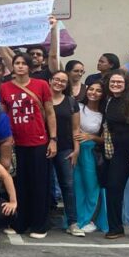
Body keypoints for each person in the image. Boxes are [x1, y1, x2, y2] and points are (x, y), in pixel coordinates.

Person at [0, 53, 57, 238]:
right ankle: (20, 222)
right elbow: (3, 114)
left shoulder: (41, 85)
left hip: (39, 141)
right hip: (17, 143)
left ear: (29, 67)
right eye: (17, 63)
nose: (20, 66)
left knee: (39, 184)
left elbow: (49, 112)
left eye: (24, 63)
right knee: (19, 185)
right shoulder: (5, 87)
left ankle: (40, 225)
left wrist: (53, 139)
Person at [101, 69, 129, 240]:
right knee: (113, 187)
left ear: (126, 85)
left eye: (119, 82)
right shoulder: (110, 101)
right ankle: (115, 227)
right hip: (119, 152)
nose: (116, 85)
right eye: (113, 82)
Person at [49, 71, 84, 236]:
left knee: (68, 186)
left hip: (66, 149)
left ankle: (72, 222)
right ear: (50, 81)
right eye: (56, 79)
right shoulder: (43, 100)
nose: (59, 83)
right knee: (45, 185)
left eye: (63, 81)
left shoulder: (71, 102)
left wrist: (76, 149)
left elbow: (76, 129)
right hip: (45, 148)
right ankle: (44, 219)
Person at [73, 81, 108, 234]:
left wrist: (91, 137)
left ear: (103, 94)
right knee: (77, 186)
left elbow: (106, 139)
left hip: (92, 153)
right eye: (91, 89)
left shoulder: (104, 114)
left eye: (98, 90)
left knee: (92, 187)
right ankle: (76, 220)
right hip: (75, 151)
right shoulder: (77, 107)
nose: (93, 92)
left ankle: (87, 219)